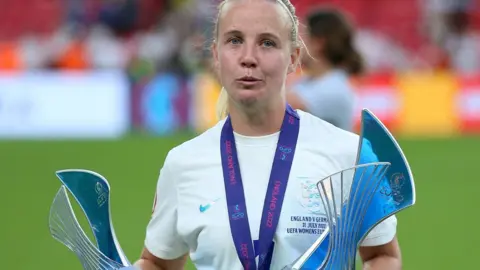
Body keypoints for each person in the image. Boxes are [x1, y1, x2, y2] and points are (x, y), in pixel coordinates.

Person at [133, 0, 401, 269]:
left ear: (294, 57)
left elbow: (382, 255)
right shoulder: (183, 164)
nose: (248, 57)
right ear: (216, 55)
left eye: (267, 43)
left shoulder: (352, 154)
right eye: (235, 40)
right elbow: (156, 263)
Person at [287, 7, 364, 132]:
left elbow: (274, 108)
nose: (295, 43)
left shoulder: (335, 88)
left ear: (318, 43)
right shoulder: (305, 82)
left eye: (300, 36)